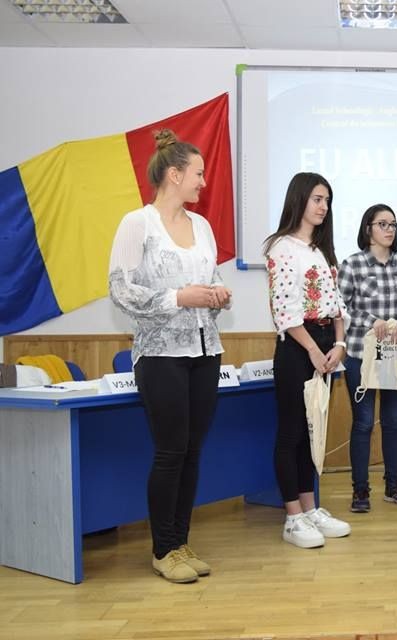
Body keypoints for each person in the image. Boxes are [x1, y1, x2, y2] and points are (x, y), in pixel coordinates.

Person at [108, 129, 231, 583]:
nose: (203, 181)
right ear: (174, 175)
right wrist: (179, 297)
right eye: (198, 173)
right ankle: (163, 550)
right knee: (170, 451)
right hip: (160, 355)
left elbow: (209, 278)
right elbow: (120, 291)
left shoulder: (202, 227)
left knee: (192, 451)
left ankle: (180, 542)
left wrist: (217, 294)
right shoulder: (137, 223)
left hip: (205, 349)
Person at [264, 172, 352, 549]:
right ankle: (292, 517)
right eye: (317, 199)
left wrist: (339, 344)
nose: (323, 206)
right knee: (292, 433)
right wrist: (314, 351)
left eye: (327, 200)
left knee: (311, 432)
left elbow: (337, 304)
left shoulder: (321, 249)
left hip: (325, 346)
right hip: (298, 347)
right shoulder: (281, 248)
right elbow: (284, 310)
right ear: (299, 199)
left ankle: (310, 508)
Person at [338, 204, 397, 513]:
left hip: (394, 357)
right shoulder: (352, 264)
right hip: (361, 355)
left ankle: (393, 486)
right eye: (382, 224)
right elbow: (341, 307)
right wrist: (372, 321)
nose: (389, 229)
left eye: (393, 225)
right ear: (367, 229)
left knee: (393, 421)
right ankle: (360, 490)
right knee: (363, 423)